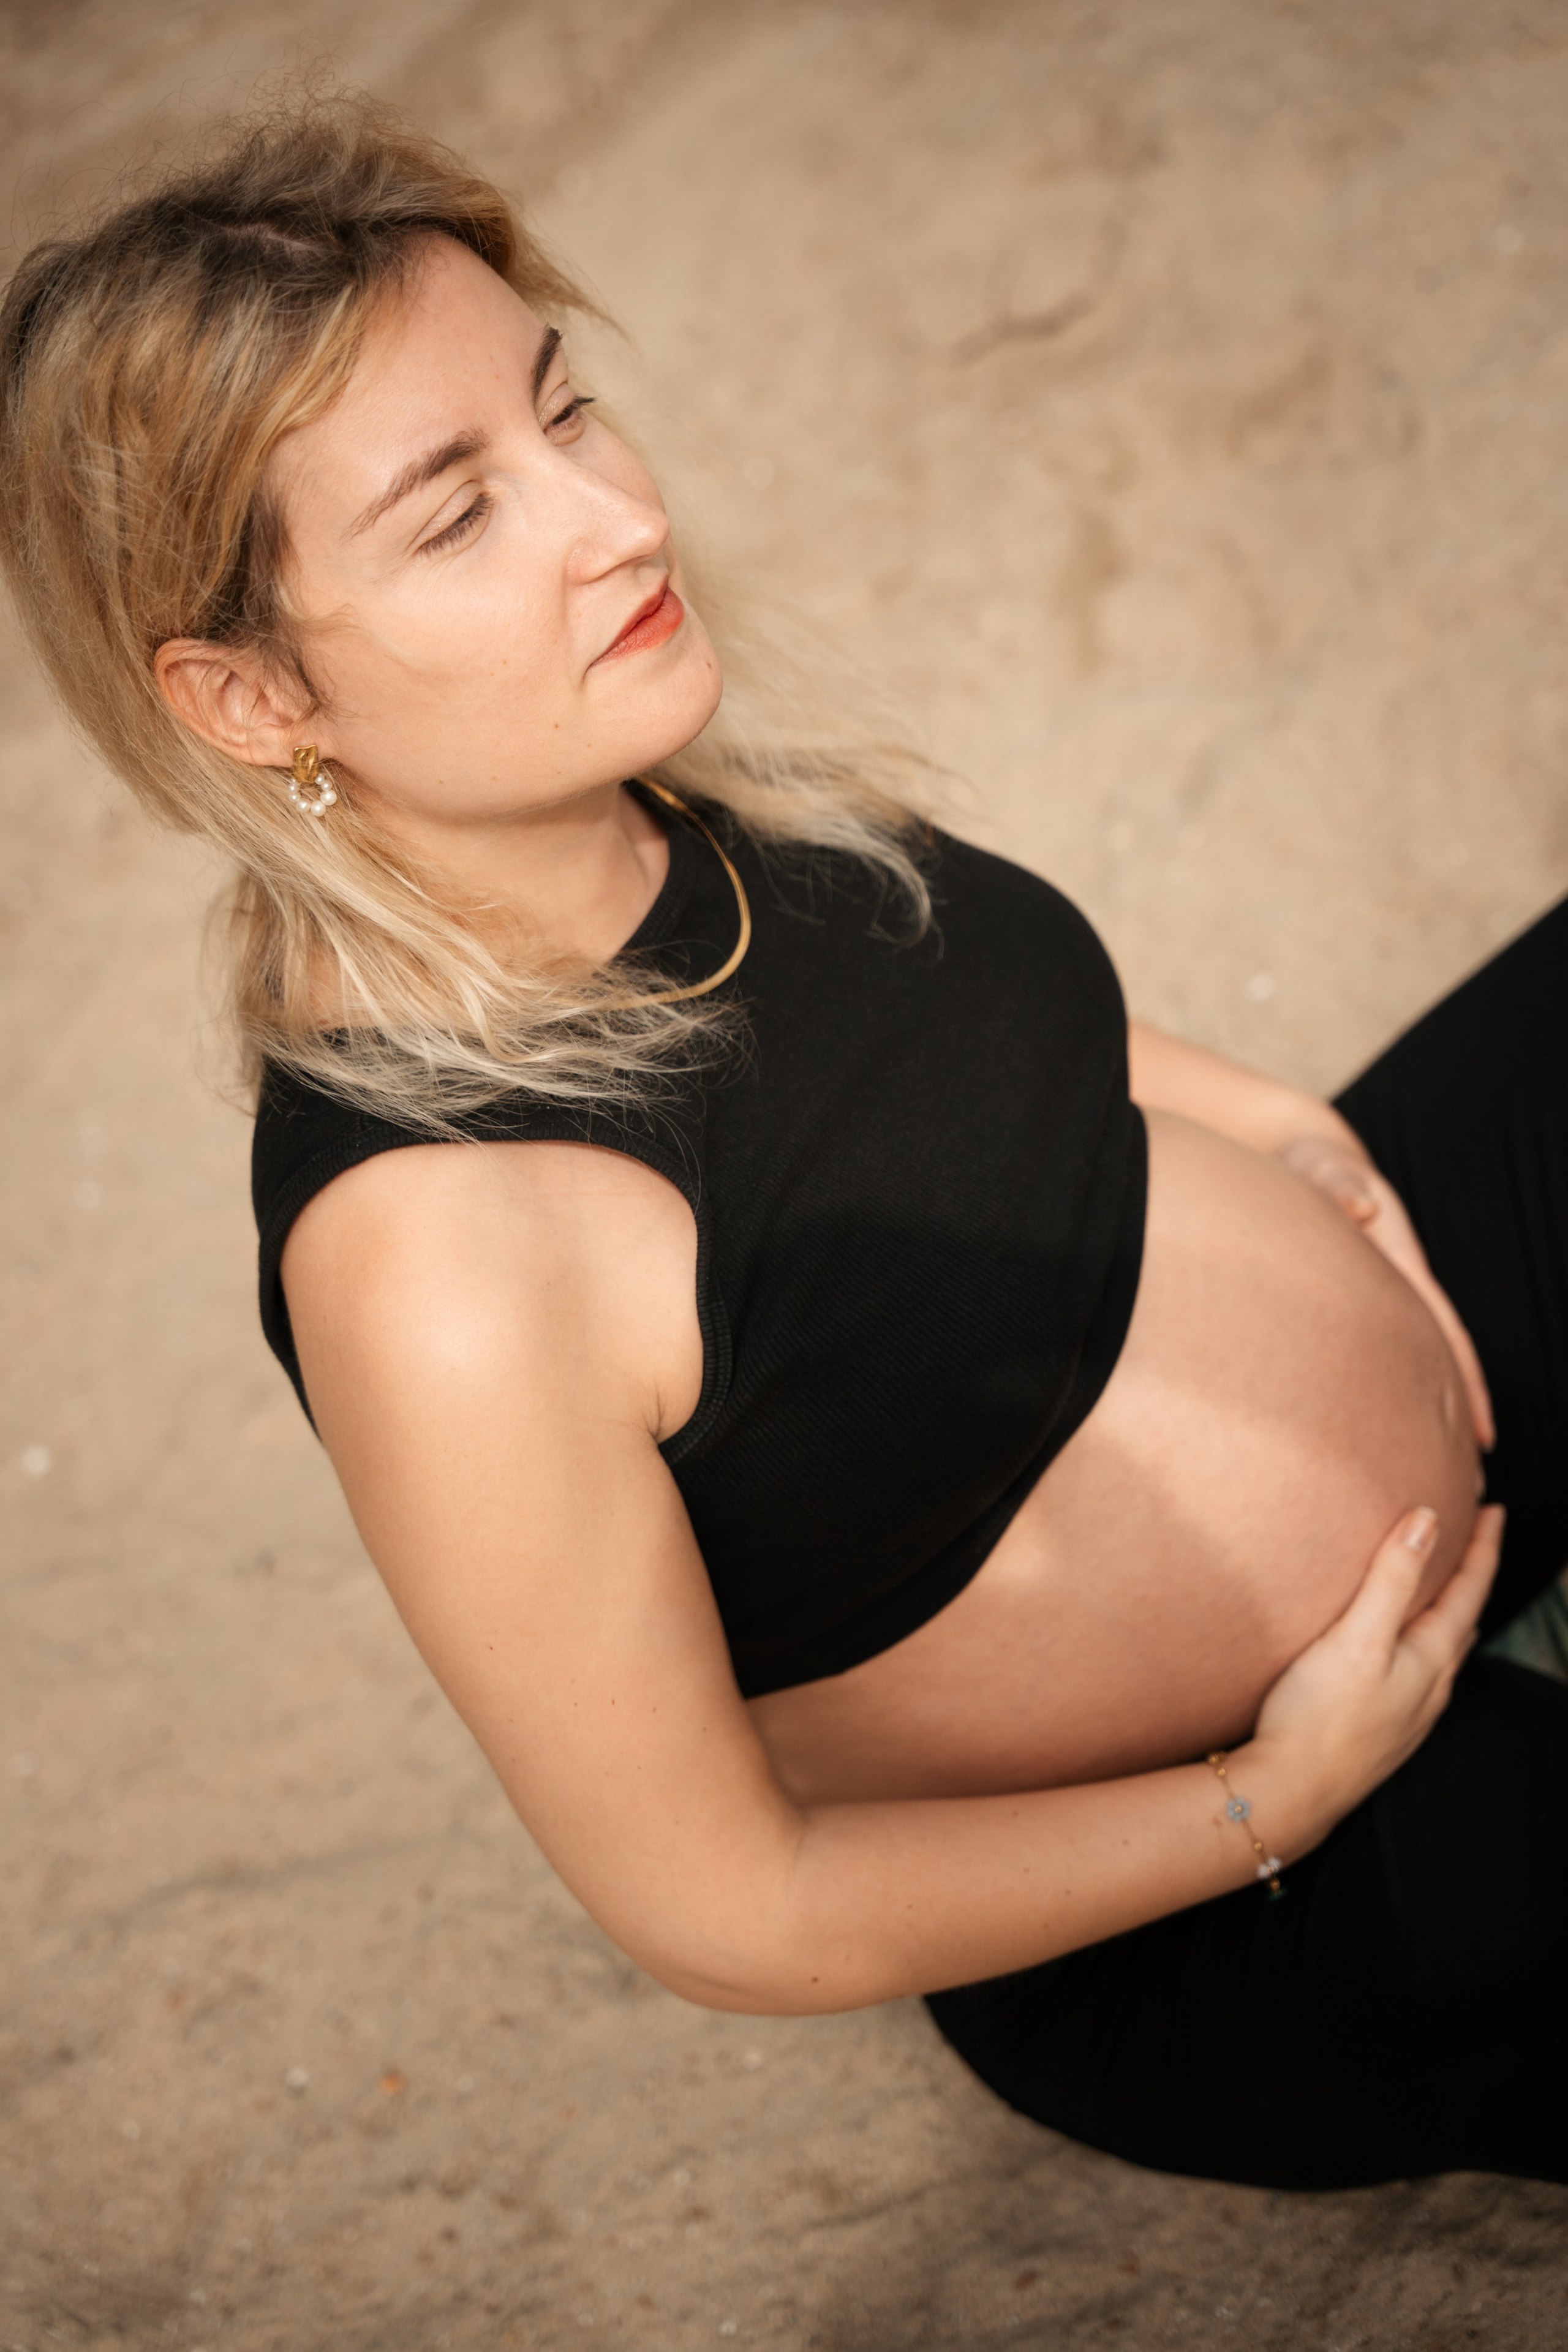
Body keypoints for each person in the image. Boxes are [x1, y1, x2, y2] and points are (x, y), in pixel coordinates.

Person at [2, 98, 1563, 2196]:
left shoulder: (638, 777)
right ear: (252, 698)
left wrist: (1275, 1126)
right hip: (1224, 1869)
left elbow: (934, 1037)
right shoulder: (438, 1266)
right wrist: (1272, 1802)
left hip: (1418, 1380)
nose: (614, 519)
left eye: (566, 415)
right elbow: (727, 1904)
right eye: (459, 516)